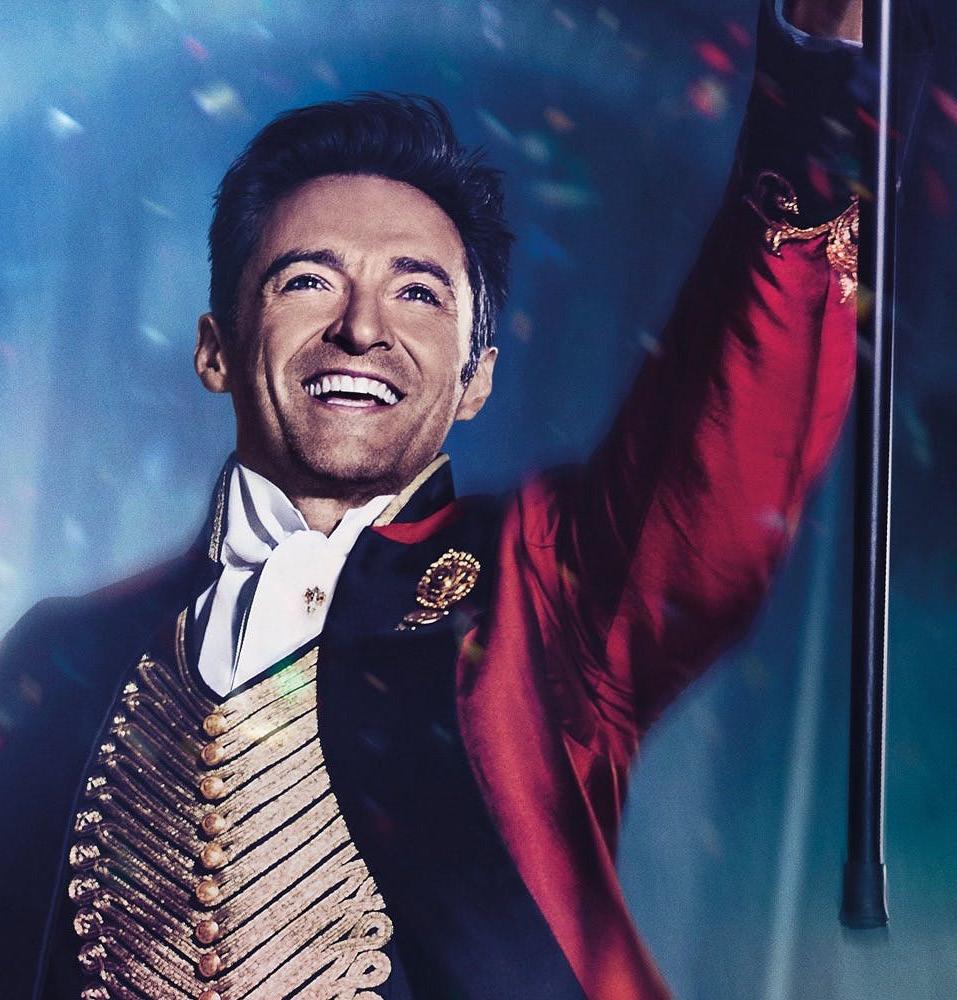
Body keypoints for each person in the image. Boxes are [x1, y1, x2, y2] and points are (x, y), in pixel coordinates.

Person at [0, 1, 863, 997]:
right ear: (216, 349)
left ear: (475, 378)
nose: (362, 328)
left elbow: (724, 438)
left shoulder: (541, 590)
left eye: (418, 292)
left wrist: (809, 95)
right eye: (307, 281)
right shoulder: (60, 655)